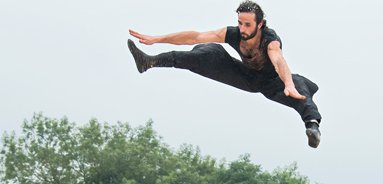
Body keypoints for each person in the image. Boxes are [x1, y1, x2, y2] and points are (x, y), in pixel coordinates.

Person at [128, 1, 323, 148]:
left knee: (299, 87)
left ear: (260, 24)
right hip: (245, 76)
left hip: (273, 82)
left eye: (248, 25)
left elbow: (278, 59)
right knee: (209, 52)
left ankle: (313, 127)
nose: (243, 29)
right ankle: (150, 62)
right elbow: (194, 37)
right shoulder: (233, 34)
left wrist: (287, 83)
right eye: (240, 24)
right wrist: (157, 39)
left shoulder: (270, 40)